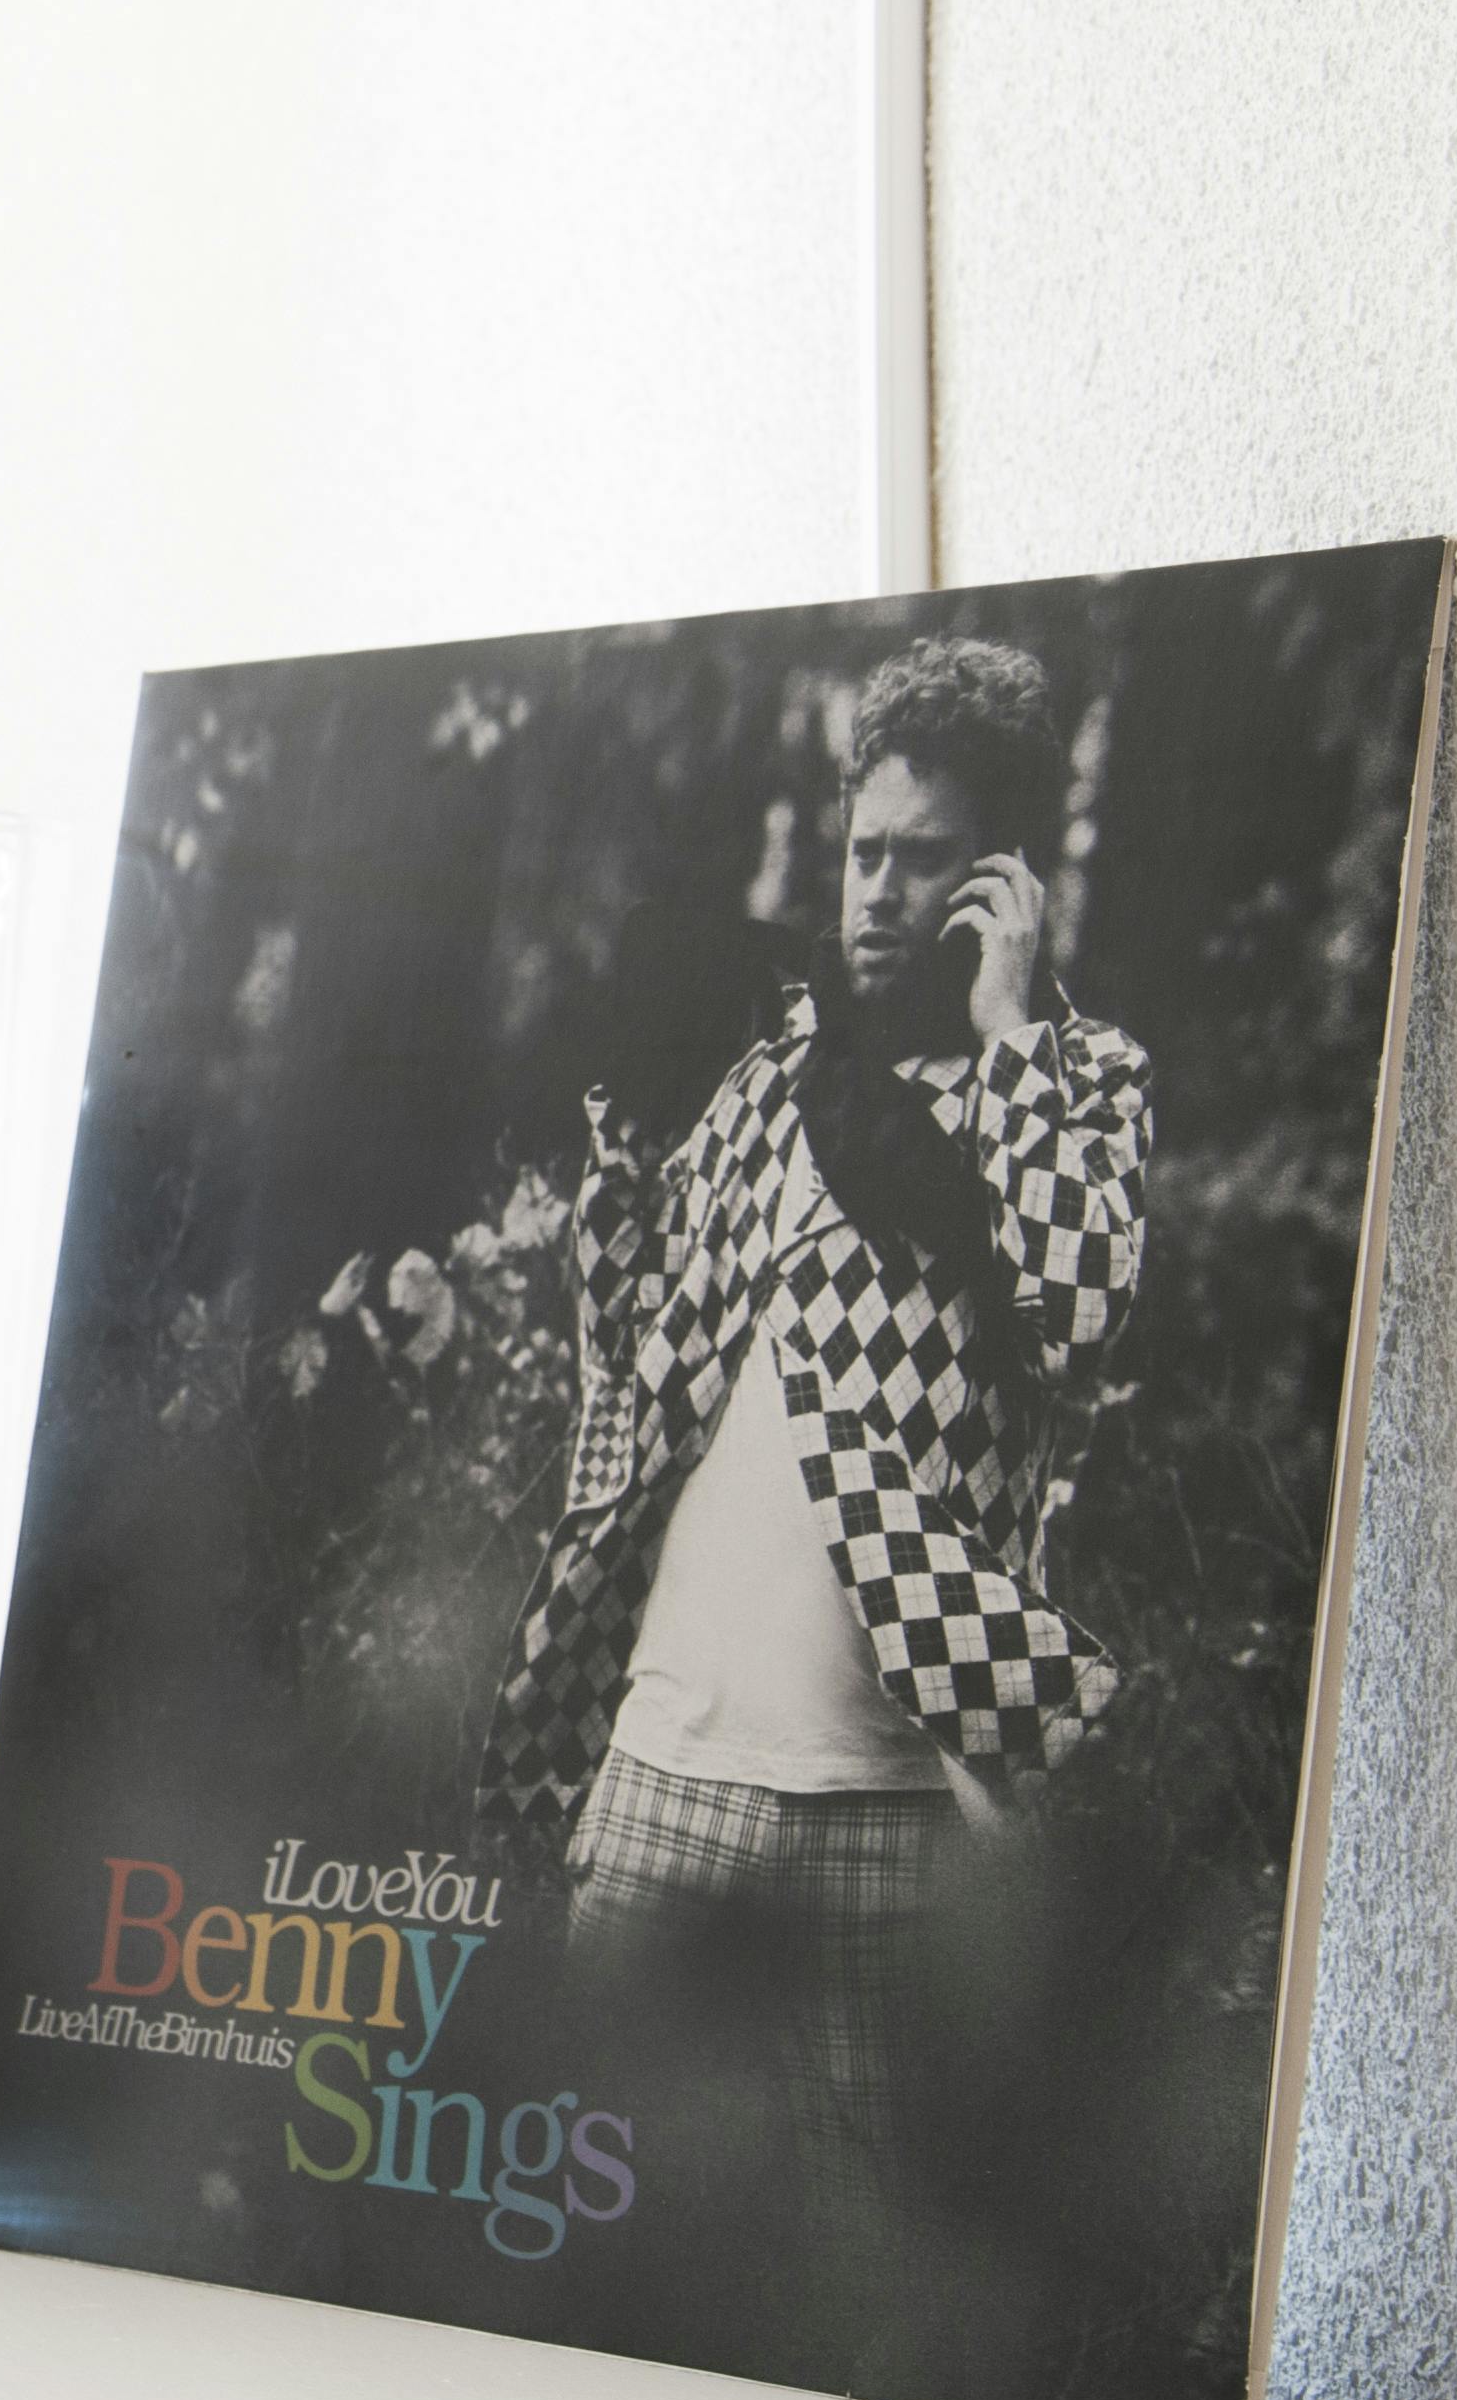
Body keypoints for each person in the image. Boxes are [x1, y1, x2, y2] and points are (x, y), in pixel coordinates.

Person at [473, 634, 1149, 2282]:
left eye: (927, 863)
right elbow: (647, 1370)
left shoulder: (1079, 1085)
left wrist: (1007, 1035)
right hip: (664, 1766)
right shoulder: (773, 1081)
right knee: (577, 2259)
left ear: (1003, 882)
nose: (878, 895)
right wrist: (617, 1181)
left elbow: (1071, 1323)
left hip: (899, 1806)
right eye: (866, 853)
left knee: (872, 2286)